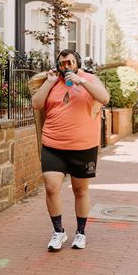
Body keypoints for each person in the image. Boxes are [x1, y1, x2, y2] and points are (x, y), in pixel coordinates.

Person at [32, 49, 109, 251]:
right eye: (62, 63)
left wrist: (80, 81)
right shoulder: (51, 81)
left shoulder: (89, 79)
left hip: (83, 147)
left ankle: (80, 233)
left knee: (80, 190)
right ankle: (58, 232)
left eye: (70, 62)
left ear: (77, 63)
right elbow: (36, 104)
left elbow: (104, 98)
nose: (66, 66)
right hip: (52, 144)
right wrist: (48, 82)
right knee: (51, 187)